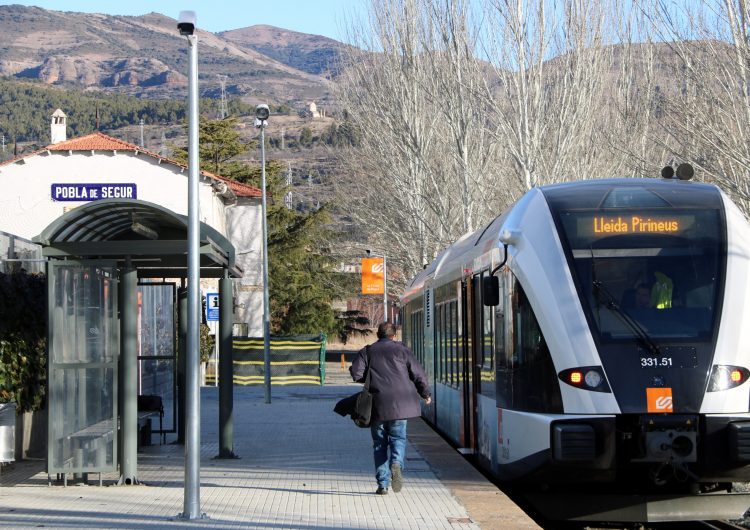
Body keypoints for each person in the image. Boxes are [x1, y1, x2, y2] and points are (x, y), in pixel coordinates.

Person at [350, 322, 432, 495]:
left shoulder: (368, 351)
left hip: (377, 405)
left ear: (378, 335)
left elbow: (356, 373)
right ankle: (396, 463)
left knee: (379, 444)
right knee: (398, 439)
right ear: (394, 336)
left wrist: (370, 378)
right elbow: (418, 375)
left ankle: (383, 484)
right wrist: (425, 394)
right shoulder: (402, 350)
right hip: (401, 404)